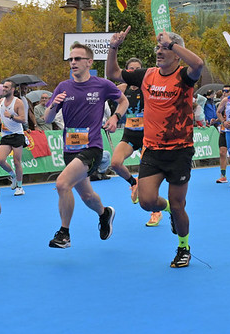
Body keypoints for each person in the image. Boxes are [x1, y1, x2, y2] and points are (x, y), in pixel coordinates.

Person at [108, 27, 204, 268]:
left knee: (180, 203)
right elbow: (114, 73)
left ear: (176, 53)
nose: (159, 52)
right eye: (158, 48)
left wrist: (172, 43)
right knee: (147, 201)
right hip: (153, 150)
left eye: (164, 48)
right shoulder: (147, 74)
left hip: (180, 150)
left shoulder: (184, 76)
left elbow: (199, 64)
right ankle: (169, 209)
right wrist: (114, 47)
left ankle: (183, 247)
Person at [44, 41, 127, 249]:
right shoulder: (63, 87)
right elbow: (47, 118)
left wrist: (115, 118)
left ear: (89, 62)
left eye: (77, 59)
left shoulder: (102, 85)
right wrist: (54, 105)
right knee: (87, 196)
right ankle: (104, 213)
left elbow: (123, 101)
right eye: (71, 59)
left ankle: (64, 234)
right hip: (69, 149)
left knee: (62, 184)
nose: (73, 62)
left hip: (92, 148)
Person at [106, 56, 162, 227]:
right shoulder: (122, 88)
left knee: (148, 176)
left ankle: (156, 212)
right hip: (130, 135)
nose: (133, 72)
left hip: (148, 136)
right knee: (115, 163)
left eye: (137, 69)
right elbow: (103, 95)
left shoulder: (149, 88)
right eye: (130, 69)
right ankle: (133, 182)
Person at [0, 80, 27, 196]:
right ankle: (12, 175)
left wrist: (12, 116)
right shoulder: (2, 101)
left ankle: (20, 186)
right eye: (3, 87)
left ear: (13, 89)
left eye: (7, 87)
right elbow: (2, 115)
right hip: (6, 135)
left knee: (17, 162)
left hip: (17, 135)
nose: (4, 89)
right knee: (0, 160)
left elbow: (23, 119)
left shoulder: (18, 103)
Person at [214, 85, 230, 183]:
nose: (224, 93)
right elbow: (220, 115)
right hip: (223, 131)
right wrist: (215, 120)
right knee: (222, 153)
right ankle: (223, 176)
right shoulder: (221, 103)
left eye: (227, 91)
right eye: (223, 91)